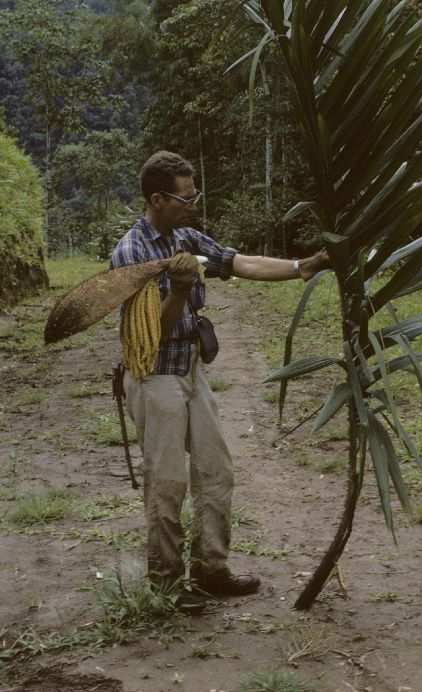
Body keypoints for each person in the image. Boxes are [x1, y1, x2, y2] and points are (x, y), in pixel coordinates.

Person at [110, 150, 328, 610]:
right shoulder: (131, 253)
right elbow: (151, 336)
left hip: (190, 368)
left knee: (215, 471)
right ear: (157, 198)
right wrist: (182, 289)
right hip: (155, 377)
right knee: (167, 481)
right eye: (185, 198)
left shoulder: (186, 235)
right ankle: (167, 583)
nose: (194, 204)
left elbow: (238, 262)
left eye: (195, 195)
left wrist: (302, 267)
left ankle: (210, 570)